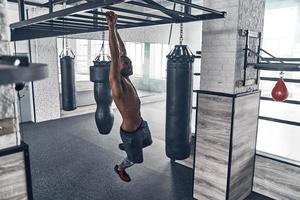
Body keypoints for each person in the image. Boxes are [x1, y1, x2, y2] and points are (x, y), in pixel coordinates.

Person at [105, 11, 152, 182]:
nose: (130, 65)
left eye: (131, 62)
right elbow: (117, 54)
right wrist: (111, 27)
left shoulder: (126, 78)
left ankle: (126, 147)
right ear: (117, 66)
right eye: (126, 63)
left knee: (148, 142)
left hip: (141, 124)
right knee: (135, 159)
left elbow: (122, 52)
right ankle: (120, 168)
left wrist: (117, 30)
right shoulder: (117, 83)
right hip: (130, 133)